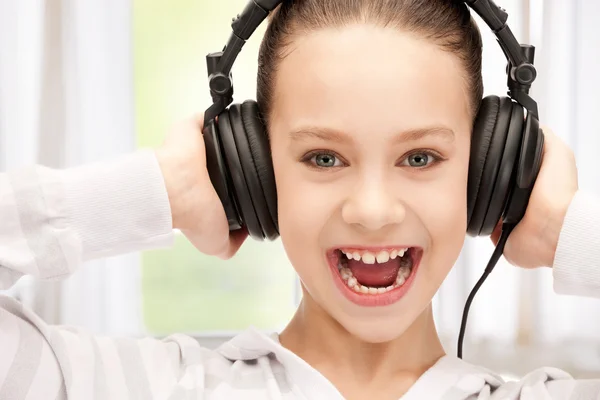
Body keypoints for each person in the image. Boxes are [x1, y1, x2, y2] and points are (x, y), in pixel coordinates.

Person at [0, 0, 599, 399]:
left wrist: (563, 232)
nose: (371, 210)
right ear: (251, 172)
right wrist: (162, 192)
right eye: (323, 158)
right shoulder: (143, 387)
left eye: (420, 158)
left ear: (486, 175)